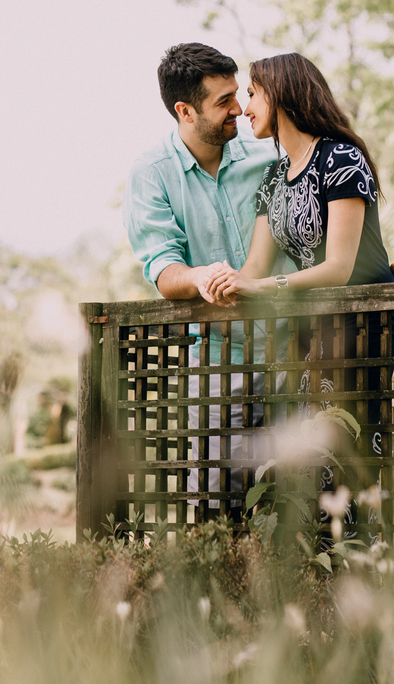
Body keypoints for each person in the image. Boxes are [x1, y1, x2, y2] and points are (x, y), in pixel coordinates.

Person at [205, 52, 394, 537]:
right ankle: (310, 572)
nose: (245, 107)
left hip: (360, 329)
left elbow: (339, 267)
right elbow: (255, 266)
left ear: (282, 94)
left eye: (253, 94)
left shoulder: (341, 159)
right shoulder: (273, 178)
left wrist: (261, 286)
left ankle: (360, 561)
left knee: (349, 455)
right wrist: (222, 281)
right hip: (307, 334)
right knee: (302, 461)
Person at [122, 43, 280, 520]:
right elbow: (163, 269)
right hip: (216, 362)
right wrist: (200, 275)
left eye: (237, 94)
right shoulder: (152, 175)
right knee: (215, 502)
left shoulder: (269, 155)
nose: (239, 109)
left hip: (292, 351)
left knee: (301, 493)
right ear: (185, 111)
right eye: (223, 101)